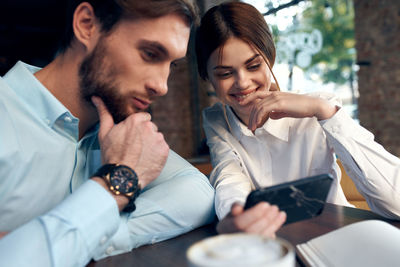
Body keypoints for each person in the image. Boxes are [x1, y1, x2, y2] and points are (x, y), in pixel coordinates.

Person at [0, 1, 215, 266]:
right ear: (87, 25)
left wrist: (81, 238)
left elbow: (197, 194)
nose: (162, 86)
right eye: (150, 53)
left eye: (172, 65)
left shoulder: (119, 130)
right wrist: (117, 183)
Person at [195, 1, 400, 236]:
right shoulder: (216, 119)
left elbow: (396, 201)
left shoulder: (319, 106)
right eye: (225, 73)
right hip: (276, 244)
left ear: (270, 58)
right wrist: (238, 215)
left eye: (253, 66)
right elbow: (229, 177)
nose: (242, 82)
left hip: (338, 236)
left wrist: (324, 112)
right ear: (206, 76)